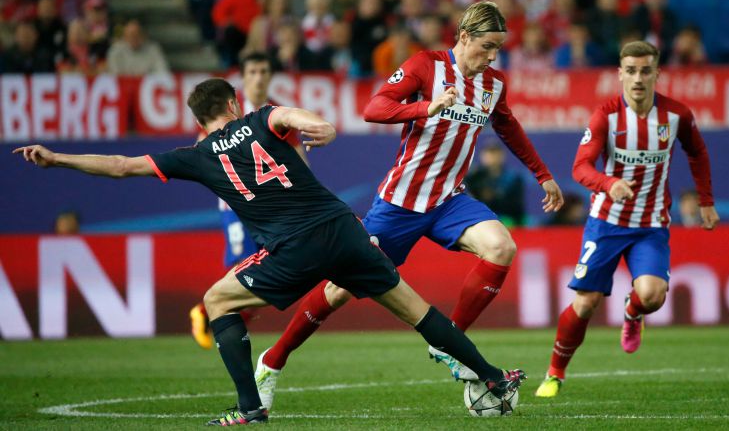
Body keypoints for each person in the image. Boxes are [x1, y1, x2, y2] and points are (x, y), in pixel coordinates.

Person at [14, 77, 526, 425]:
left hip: (294, 247)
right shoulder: (262, 118)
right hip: (344, 229)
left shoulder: (192, 156)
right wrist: (316, 127)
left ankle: (249, 407)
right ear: (234, 104)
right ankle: (493, 378)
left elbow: (122, 166)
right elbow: (301, 118)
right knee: (417, 311)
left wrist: (56, 158)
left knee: (217, 301)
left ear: (200, 120)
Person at [251, 0, 563, 412]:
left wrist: (543, 174)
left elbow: (509, 127)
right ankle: (272, 362)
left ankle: (451, 343)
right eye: (487, 46)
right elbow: (374, 107)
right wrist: (424, 107)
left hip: (450, 201)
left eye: (498, 49)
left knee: (501, 247)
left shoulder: (494, 84)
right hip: (400, 203)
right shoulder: (425, 66)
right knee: (339, 290)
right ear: (464, 37)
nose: (492, 56)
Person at [534, 41, 719, 398]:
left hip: (650, 225)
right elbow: (580, 167)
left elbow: (697, 152)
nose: (638, 78)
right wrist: (609, 182)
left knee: (652, 295)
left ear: (656, 73)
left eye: (645, 70)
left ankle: (633, 314)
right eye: (631, 70)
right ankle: (555, 373)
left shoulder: (676, 115)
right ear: (620, 74)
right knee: (585, 303)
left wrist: (706, 200)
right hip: (606, 222)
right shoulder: (606, 116)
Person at [188, 52, 310, 350]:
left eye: (264, 71)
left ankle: (215, 314)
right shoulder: (226, 111)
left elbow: (298, 159)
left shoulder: (275, 113)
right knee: (243, 264)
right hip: (237, 205)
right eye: (253, 71)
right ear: (243, 77)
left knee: (268, 274)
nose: (259, 77)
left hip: (271, 208)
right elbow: (203, 150)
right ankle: (212, 312)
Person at [465, 143, 526, 227]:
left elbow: (517, 207)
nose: (492, 157)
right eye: (489, 153)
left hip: (507, 219)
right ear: (482, 156)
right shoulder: (474, 177)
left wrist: (494, 197)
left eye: (495, 153)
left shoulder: (513, 177)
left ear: (502, 156)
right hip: (481, 218)